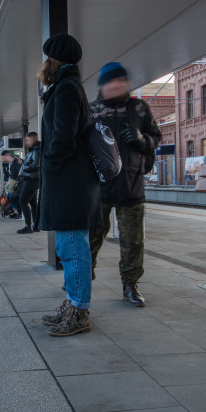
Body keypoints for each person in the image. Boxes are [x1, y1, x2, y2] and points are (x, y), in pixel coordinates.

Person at [37, 33, 103, 337]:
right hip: (69, 180)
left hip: (70, 180)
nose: (43, 64)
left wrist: (48, 164)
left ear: (55, 60)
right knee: (67, 245)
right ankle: (73, 301)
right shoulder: (65, 88)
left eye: (47, 58)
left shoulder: (66, 90)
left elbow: (63, 137)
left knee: (74, 247)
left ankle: (80, 310)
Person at [89, 62, 162, 307]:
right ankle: (82, 279)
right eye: (111, 81)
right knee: (90, 236)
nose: (117, 85)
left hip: (130, 184)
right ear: (103, 85)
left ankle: (130, 284)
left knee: (133, 240)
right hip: (98, 187)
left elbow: (156, 137)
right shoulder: (91, 110)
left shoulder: (139, 108)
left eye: (121, 81)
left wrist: (143, 140)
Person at [16, 132, 41, 234]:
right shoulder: (35, 150)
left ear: (33, 139)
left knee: (23, 201)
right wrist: (24, 162)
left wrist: (23, 167)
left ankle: (28, 227)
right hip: (32, 178)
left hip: (32, 179)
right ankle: (35, 225)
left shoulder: (37, 149)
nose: (26, 142)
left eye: (27, 140)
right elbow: (33, 163)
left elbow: (36, 164)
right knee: (33, 203)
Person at [1, 150, 23, 220]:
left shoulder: (17, 162)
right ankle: (15, 212)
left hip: (18, 183)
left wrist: (15, 181)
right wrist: (6, 180)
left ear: (8, 156)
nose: (2, 159)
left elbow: (20, 173)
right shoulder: (6, 164)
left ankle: (19, 213)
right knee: (10, 197)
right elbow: (6, 173)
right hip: (11, 183)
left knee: (15, 197)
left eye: (3, 157)